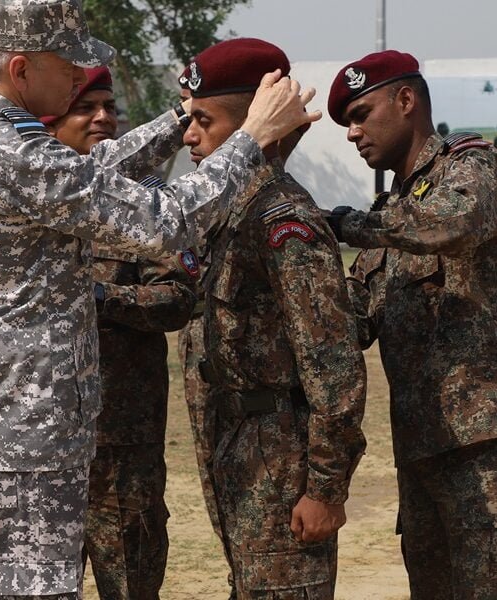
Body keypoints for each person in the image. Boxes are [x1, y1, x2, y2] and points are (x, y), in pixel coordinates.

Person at [0, 1, 320, 597]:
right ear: (23, 69)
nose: (83, 80)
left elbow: (92, 171)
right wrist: (253, 138)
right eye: (71, 67)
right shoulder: (11, 150)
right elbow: (166, 220)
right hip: (29, 431)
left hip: (1, 421)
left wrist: (175, 117)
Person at [324, 50, 497, 599]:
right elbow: (354, 316)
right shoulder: (395, 211)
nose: (353, 133)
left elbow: (455, 223)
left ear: (406, 100)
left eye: (361, 114)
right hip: (419, 441)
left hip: (479, 440)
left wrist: (349, 224)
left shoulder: (473, 166)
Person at [182, 38, 367, 599]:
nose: (188, 136)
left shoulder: (283, 220)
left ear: (252, 127)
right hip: (237, 443)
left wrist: (325, 488)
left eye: (204, 121)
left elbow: (333, 365)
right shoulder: (227, 211)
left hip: (280, 461)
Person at [41, 66, 198, 599]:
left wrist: (106, 299)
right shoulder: (29, 206)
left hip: (122, 443)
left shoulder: (146, 200)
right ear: (52, 120)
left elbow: (178, 297)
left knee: (130, 584)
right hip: (41, 443)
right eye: (87, 107)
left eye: (110, 107)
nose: (103, 117)